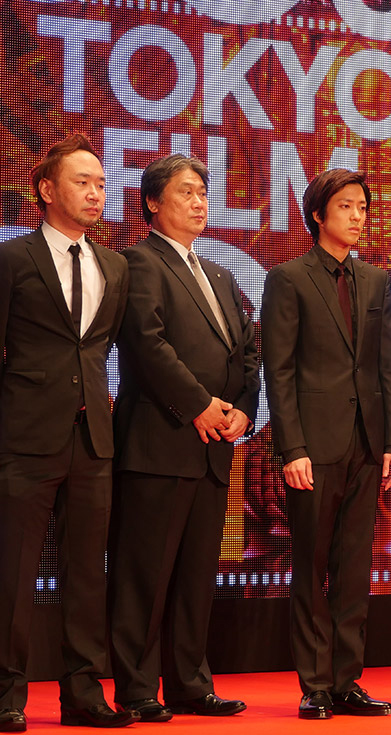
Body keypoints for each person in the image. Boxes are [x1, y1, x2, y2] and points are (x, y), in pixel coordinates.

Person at [109, 154, 259, 721]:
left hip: (214, 446)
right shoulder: (138, 262)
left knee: (197, 575)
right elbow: (147, 344)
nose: (199, 203)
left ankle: (191, 684)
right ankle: (136, 689)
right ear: (152, 202)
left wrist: (244, 411)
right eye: (186, 192)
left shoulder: (219, 273)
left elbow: (248, 350)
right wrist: (199, 404)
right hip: (159, 441)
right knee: (144, 575)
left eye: (203, 193)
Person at [0, 134, 134, 730]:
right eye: (83, 182)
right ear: (46, 189)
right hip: (24, 437)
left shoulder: (115, 265)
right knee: (13, 572)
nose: (96, 193)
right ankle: (6, 695)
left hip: (93, 439)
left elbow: (101, 349)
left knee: (86, 574)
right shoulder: (12, 258)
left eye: (101, 183)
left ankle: (83, 693)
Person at [262, 169, 391, 719]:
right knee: (311, 563)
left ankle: (347, 680)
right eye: (346, 206)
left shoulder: (375, 280)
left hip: (367, 443)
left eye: (363, 207)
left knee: (354, 568)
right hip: (313, 446)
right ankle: (315, 684)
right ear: (319, 214)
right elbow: (279, 371)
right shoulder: (288, 278)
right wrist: (291, 449)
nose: (357, 216)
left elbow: (388, 367)